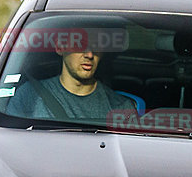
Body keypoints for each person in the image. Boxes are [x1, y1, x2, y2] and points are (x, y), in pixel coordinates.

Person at [7, 41, 137, 122]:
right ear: (60, 48)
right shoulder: (30, 95)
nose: (90, 55)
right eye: (80, 44)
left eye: (96, 46)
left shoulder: (121, 108)